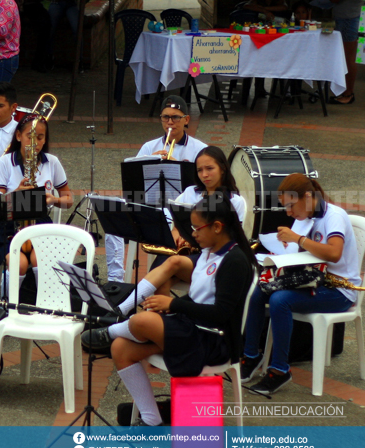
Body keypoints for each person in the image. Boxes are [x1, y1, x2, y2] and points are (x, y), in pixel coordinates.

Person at [82, 190, 256, 426]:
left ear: (217, 227)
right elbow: (197, 299)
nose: (192, 234)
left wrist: (173, 304)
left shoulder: (234, 261)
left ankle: (111, 328)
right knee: (121, 348)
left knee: (140, 321)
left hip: (213, 339)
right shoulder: (207, 252)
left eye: (197, 228)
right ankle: (152, 420)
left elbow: (221, 314)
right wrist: (172, 308)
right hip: (193, 326)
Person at [240, 174, 361, 395]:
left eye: (290, 205)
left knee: (279, 300)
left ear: (307, 197)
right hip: (312, 280)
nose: (288, 212)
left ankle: (279, 370)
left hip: (339, 289)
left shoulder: (335, 215)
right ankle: (251, 356)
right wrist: (280, 252)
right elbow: (299, 255)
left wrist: (298, 239)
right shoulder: (304, 216)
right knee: (259, 291)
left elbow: (334, 254)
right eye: (285, 206)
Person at [118, 146, 248, 307]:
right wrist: (176, 230)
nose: (204, 175)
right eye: (200, 170)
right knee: (162, 282)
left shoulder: (235, 201)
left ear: (222, 168)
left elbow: (233, 239)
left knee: (172, 263)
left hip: (215, 260)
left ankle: (123, 308)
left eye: (210, 168)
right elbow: (175, 217)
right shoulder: (190, 193)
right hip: (188, 255)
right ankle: (160, 322)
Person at [105, 95, 208, 283]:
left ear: (186, 120)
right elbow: (133, 184)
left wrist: (180, 169)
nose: (170, 122)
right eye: (165, 117)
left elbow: (205, 189)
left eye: (176, 117)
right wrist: (149, 162)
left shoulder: (200, 150)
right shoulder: (149, 146)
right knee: (112, 215)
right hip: (150, 206)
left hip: (178, 211)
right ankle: (116, 280)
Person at [0, 114, 73, 276]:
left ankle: (41, 299)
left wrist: (54, 199)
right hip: (9, 224)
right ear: (18, 136)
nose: (35, 143)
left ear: (45, 140)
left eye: (39, 138)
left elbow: (69, 200)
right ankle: (11, 301)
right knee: (19, 264)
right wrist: (16, 193)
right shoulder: (4, 162)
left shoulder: (52, 162)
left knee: (41, 258)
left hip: (41, 223)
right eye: (30, 137)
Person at [329, 0, 362, 105]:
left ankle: (348, 94)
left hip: (349, 18)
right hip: (342, 17)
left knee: (348, 58)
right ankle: (344, 91)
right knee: (343, 57)